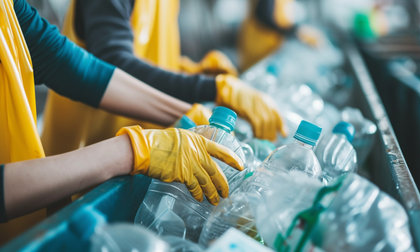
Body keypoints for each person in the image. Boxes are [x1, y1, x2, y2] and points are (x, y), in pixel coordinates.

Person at [0, 0, 243, 243]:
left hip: (38, 213)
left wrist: (185, 114)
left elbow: (65, 63)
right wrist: (131, 151)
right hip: (74, 169)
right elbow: (113, 57)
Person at [41, 0, 287, 156]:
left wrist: (187, 71)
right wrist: (211, 88)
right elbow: (113, 63)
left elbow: (143, 51)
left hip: (149, 146)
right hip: (90, 154)